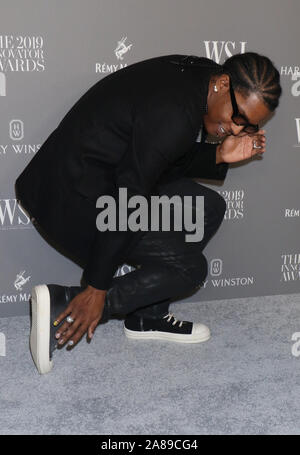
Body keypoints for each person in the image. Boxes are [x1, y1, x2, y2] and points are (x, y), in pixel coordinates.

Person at [15, 52, 281, 374]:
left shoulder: (200, 79)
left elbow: (156, 158)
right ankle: (65, 304)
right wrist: (97, 287)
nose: (238, 130)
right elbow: (130, 197)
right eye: (238, 118)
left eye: (250, 126)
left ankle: (147, 317)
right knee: (190, 268)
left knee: (208, 208)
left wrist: (219, 156)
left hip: (91, 179)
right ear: (223, 84)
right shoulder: (176, 112)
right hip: (68, 201)